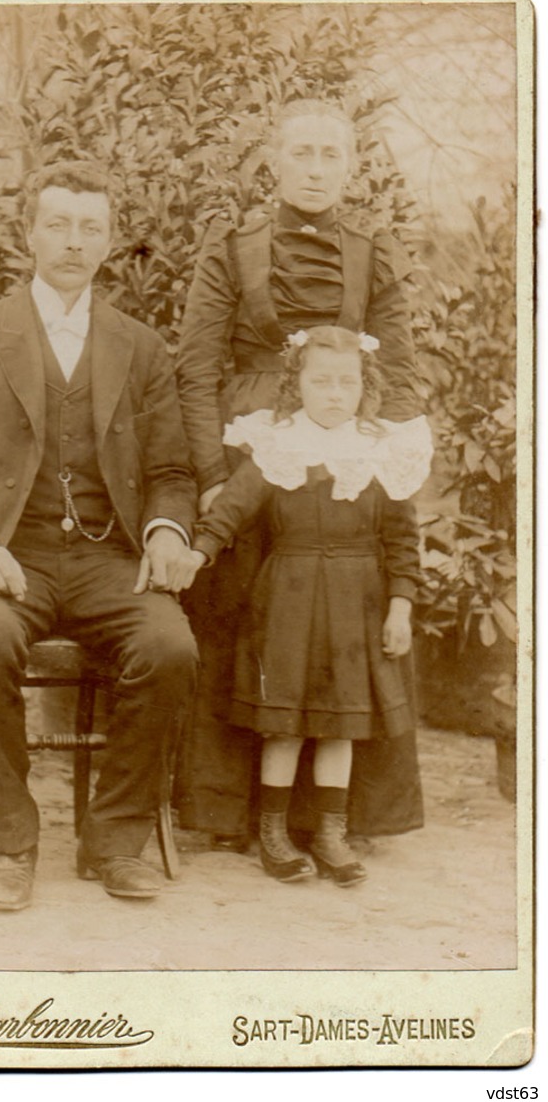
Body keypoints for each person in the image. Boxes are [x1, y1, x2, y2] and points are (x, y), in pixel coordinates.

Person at [0, 162, 200, 911]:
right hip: (8, 555)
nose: (74, 241)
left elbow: (172, 471)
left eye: (91, 228)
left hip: (108, 560)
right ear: (29, 232)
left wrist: (166, 532)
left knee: (170, 647)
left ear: (109, 241)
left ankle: (116, 836)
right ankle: (11, 839)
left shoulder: (141, 348)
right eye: (59, 224)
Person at [174, 97, 425, 850]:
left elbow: (401, 362)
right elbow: (194, 364)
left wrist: (394, 455)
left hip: (349, 435)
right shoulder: (233, 246)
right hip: (259, 445)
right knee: (252, 626)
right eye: (301, 154)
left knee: (347, 621)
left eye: (330, 155)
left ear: (351, 166)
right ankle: (239, 814)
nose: (315, 170)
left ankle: (336, 820)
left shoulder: (372, 250)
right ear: (273, 162)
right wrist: (216, 471)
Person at [180, 326, 432, 885]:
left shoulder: (381, 451)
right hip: (287, 601)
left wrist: (400, 606)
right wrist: (196, 553)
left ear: (366, 386)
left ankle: (331, 833)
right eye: (321, 382)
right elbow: (231, 510)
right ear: (297, 384)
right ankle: (272, 832)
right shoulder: (278, 444)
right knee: (284, 723)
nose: (335, 394)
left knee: (340, 726)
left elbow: (402, 541)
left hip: (358, 604)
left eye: (347, 382)